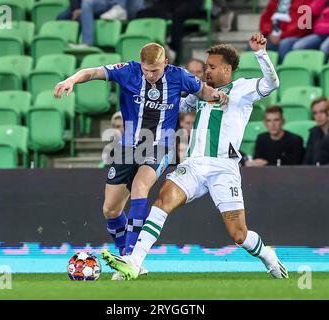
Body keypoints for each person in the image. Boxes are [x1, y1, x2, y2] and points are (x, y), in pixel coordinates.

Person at [101, 34, 289, 280]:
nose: (207, 71)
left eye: (211, 67)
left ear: (227, 68)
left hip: (224, 168)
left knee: (239, 235)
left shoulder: (243, 89)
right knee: (161, 202)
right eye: (206, 66)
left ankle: (267, 254)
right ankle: (134, 262)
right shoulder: (199, 93)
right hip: (193, 165)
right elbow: (172, 106)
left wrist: (261, 53)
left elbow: (271, 83)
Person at [54, 42, 228, 279]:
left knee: (140, 186)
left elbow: (203, 92)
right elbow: (92, 72)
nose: (150, 75)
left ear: (165, 63)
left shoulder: (179, 76)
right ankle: (126, 254)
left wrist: (217, 94)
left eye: (155, 70)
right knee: (111, 210)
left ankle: (131, 260)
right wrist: (71, 80)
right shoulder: (129, 70)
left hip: (161, 144)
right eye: (146, 70)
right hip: (127, 146)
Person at [137, 0, 206, 63]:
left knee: (178, 14)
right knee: (143, 13)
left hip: (190, 2)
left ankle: (173, 50)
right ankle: (140, 46)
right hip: (171, 3)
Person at [303, 97, 329, 165]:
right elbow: (307, 160)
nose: (318, 116)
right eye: (315, 113)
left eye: (322, 112)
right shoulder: (314, 133)